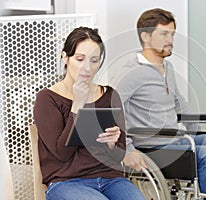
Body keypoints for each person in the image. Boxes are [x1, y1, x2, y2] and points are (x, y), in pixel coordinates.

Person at [112, 8, 206, 200]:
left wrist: (198, 133)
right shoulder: (130, 72)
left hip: (175, 142)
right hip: (151, 148)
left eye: (172, 34)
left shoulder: (167, 68)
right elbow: (110, 111)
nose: (170, 40)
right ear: (145, 36)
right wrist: (128, 148)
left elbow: (179, 102)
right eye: (164, 34)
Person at [33, 27, 145, 200]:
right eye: (80, 59)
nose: (87, 67)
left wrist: (111, 144)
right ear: (65, 57)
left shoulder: (109, 95)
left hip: (111, 179)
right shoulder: (47, 98)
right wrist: (77, 104)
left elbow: (120, 154)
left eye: (94, 60)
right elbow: (61, 155)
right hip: (66, 182)